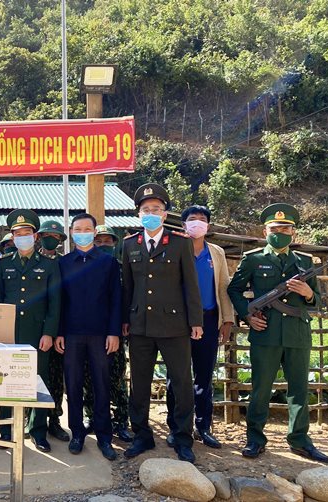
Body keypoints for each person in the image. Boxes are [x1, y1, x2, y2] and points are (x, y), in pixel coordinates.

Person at [227, 204, 328, 463]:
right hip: (266, 333)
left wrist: (308, 293)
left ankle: (300, 440)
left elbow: (318, 301)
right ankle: (255, 439)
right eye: (274, 229)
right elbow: (234, 290)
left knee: (299, 390)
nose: (279, 233)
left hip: (297, 333)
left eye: (285, 229)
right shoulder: (253, 259)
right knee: (261, 389)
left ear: (293, 233)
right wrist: (248, 315)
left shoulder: (304, 262)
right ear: (265, 232)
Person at [121, 183, 203, 463]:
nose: (151, 213)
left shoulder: (180, 243)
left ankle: (182, 438)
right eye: (146, 210)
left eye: (156, 209)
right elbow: (127, 287)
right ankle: (141, 435)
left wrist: (196, 321)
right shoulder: (129, 244)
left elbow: (191, 285)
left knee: (181, 383)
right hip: (140, 326)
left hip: (174, 325)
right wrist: (125, 320)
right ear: (139, 214)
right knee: (139, 384)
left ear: (165, 214)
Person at [163, 206, 234, 449]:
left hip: (209, 319)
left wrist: (227, 319)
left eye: (202, 220)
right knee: (176, 376)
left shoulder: (216, 252)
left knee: (204, 376)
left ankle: (203, 427)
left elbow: (223, 286)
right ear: (183, 225)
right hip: (179, 322)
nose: (197, 223)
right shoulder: (174, 248)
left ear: (208, 226)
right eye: (192, 219)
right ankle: (175, 426)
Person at [0, 209, 61, 453]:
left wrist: (49, 333)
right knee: (5, 379)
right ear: (12, 237)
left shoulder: (49, 265)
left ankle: (38, 431)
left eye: (27, 233)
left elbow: (55, 303)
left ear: (36, 236)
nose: (23, 237)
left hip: (37, 332)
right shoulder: (3, 263)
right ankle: (5, 429)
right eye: (18, 233)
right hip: (9, 332)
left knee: (38, 381)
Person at [55, 213, 121, 460]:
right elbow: (59, 301)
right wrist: (60, 332)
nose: (82, 233)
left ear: (94, 232)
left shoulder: (108, 262)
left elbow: (116, 300)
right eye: (78, 229)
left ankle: (104, 436)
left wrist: (114, 332)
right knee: (72, 385)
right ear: (72, 233)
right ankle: (77, 433)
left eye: (87, 229)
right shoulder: (64, 263)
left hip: (100, 334)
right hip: (71, 334)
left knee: (101, 385)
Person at [89, 225, 133, 442]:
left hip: (115, 330)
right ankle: (92, 418)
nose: (103, 245)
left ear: (115, 244)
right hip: (90, 330)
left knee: (116, 376)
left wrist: (124, 322)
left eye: (107, 241)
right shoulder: (85, 267)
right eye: (99, 241)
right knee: (89, 376)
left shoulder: (123, 268)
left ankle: (121, 421)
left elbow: (127, 297)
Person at [35, 220, 70, 442]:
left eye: (56, 237)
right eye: (47, 235)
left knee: (56, 378)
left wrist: (60, 331)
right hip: (36, 327)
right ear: (39, 237)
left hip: (59, 329)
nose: (51, 239)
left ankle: (54, 420)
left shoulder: (64, 263)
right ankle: (32, 419)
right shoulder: (33, 260)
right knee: (34, 376)